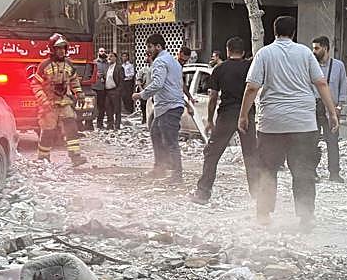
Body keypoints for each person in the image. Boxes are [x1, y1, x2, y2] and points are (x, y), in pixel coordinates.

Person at [238, 15, 338, 230]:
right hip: (303, 123)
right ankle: (305, 216)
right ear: (294, 32)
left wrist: (243, 115)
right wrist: (332, 113)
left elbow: (252, 87)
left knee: (267, 168)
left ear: (274, 31)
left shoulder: (264, 53)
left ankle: (264, 214)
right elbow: (321, 82)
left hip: (271, 123)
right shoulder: (305, 53)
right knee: (303, 171)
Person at [193, 37, 257, 203]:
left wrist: (209, 120)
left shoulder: (219, 69)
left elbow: (213, 97)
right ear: (243, 52)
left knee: (212, 153)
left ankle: (203, 193)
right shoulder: (251, 68)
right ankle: (258, 195)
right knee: (251, 155)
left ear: (228, 50)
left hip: (227, 115)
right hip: (247, 115)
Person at [30, 33, 88, 166]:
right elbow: (35, 84)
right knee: (48, 131)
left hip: (64, 101)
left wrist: (79, 93)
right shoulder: (44, 65)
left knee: (71, 126)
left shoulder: (68, 64)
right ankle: (43, 158)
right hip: (49, 103)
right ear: (52, 49)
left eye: (63, 48)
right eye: (58, 48)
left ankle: (75, 156)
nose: (62, 51)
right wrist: (43, 101)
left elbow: (74, 80)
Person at [134, 34, 185, 182]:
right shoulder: (173, 61)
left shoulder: (160, 61)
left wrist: (141, 95)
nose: (148, 50)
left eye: (150, 47)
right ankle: (160, 167)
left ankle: (176, 174)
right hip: (169, 106)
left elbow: (157, 84)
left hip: (168, 106)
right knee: (155, 132)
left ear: (158, 46)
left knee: (170, 141)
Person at [312, 35, 347, 183]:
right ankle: (311, 171)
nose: (313, 51)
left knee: (332, 141)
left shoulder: (338, 65)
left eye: (316, 48)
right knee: (311, 141)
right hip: (313, 107)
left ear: (325, 48)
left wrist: (340, 106)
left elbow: (343, 86)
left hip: (331, 108)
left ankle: (334, 173)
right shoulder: (310, 64)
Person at [104, 51, 125, 130]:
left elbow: (122, 81)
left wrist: (118, 91)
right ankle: (110, 125)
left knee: (117, 109)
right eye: (108, 56)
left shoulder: (119, 67)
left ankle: (117, 125)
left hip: (115, 91)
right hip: (107, 91)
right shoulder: (107, 67)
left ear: (115, 58)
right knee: (108, 109)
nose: (109, 58)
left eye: (111, 56)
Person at [93, 48, 113, 130]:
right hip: (95, 87)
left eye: (104, 51)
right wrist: (96, 74)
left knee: (103, 107)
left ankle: (100, 123)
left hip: (105, 87)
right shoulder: (94, 63)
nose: (103, 52)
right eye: (101, 51)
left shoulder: (108, 64)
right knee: (94, 106)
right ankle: (89, 123)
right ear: (98, 52)